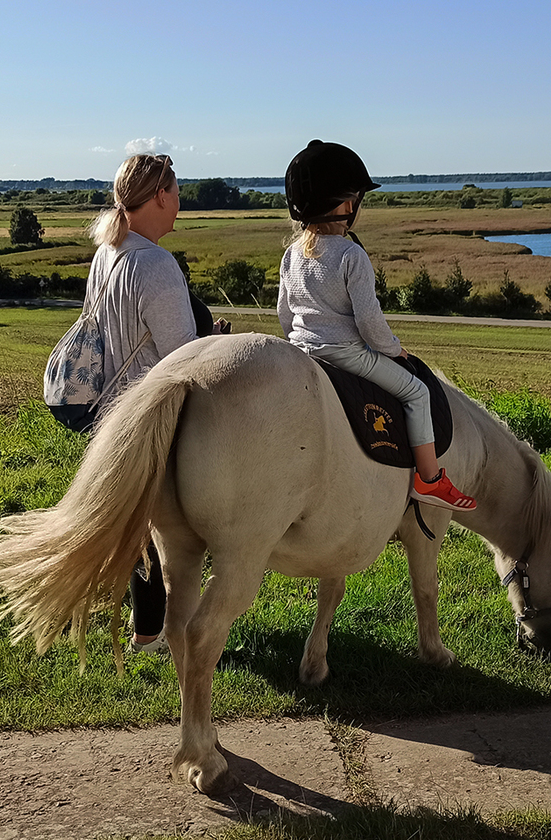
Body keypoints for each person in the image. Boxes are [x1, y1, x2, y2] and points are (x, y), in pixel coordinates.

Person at [276, 139, 478, 512]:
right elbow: (369, 321)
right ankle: (430, 480)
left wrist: (299, 342)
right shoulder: (352, 255)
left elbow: (285, 314)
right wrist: (393, 349)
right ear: (349, 205)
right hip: (348, 354)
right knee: (417, 392)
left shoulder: (292, 254)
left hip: (303, 349)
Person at [82, 152, 228, 652]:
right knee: (159, 528)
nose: (180, 201)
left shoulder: (109, 252)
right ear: (161, 195)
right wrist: (215, 341)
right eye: (177, 191)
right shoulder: (157, 263)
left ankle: (146, 628)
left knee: (136, 522)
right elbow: (182, 356)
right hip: (155, 413)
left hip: (112, 410)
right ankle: (156, 633)